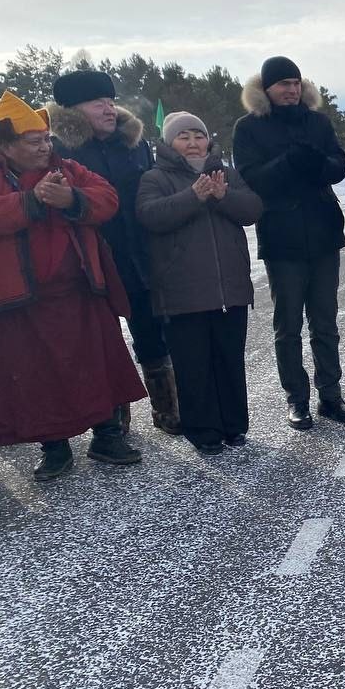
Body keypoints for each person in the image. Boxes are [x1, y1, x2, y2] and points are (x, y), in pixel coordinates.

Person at [0, 90, 145, 481]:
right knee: (35, 374)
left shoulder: (69, 170)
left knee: (96, 364)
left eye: (46, 139)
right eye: (33, 141)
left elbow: (107, 198)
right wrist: (31, 202)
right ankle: (54, 447)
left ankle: (107, 436)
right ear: (6, 146)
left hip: (79, 291)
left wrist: (71, 198)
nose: (45, 147)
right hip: (23, 300)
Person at [47, 70, 179, 434]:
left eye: (110, 101)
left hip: (138, 255)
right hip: (88, 260)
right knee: (99, 340)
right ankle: (112, 419)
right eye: (97, 103)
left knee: (152, 332)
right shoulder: (57, 151)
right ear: (72, 110)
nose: (108, 109)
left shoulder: (134, 145)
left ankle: (167, 408)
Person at [233, 56, 345, 430]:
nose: (291, 90)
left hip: (322, 234)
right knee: (287, 326)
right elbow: (252, 178)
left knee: (326, 323)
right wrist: (289, 161)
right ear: (267, 88)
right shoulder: (249, 127)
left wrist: (316, 162)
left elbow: (338, 166)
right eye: (283, 84)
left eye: (295, 83)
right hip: (281, 236)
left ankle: (331, 395)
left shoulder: (317, 121)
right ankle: (297, 399)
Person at [136, 113, 263, 455]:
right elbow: (151, 215)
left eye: (198, 135)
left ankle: (234, 426)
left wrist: (223, 196)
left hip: (230, 290)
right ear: (169, 143)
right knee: (194, 367)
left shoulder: (226, 173)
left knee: (229, 361)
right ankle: (203, 431)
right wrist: (193, 196)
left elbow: (252, 209)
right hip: (183, 294)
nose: (193, 143)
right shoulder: (155, 177)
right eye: (184, 137)